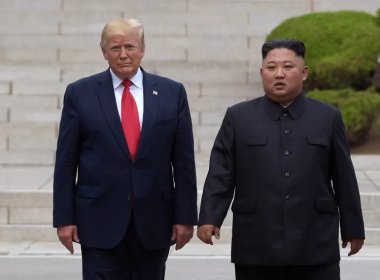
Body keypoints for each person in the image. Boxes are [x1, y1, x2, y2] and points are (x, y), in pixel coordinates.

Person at [197, 39, 365, 280]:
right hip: (257, 240)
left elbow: (343, 177)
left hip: (315, 240)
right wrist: (210, 217)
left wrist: (353, 228)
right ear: (261, 72)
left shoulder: (327, 117)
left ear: (304, 72)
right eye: (271, 67)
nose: (279, 74)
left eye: (287, 67)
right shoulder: (239, 117)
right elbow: (221, 172)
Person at [53, 18, 197, 280]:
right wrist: (64, 219)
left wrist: (185, 217)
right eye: (115, 48)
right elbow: (66, 162)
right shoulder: (80, 93)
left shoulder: (171, 92)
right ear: (103, 52)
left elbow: (184, 162)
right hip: (97, 219)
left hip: (154, 220)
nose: (123, 55)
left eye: (130, 46)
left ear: (142, 49)